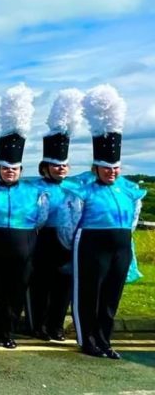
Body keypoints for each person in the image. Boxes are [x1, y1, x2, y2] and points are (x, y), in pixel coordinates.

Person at [66, 85, 146, 359]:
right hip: (90, 243)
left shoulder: (129, 189)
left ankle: (104, 340)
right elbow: (70, 222)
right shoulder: (84, 189)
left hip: (121, 247)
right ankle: (87, 339)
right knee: (89, 293)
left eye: (115, 167)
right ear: (96, 166)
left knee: (112, 295)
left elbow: (134, 218)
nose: (111, 172)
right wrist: (75, 244)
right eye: (106, 167)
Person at [0, 85, 47, 349]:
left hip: (21, 246)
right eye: (5, 168)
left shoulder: (32, 192)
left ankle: (8, 331)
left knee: (15, 291)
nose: (10, 172)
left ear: (20, 169)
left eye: (14, 169)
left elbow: (40, 218)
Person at [27, 89, 84, 342]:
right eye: (56, 165)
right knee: (40, 284)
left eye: (64, 165)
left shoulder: (75, 188)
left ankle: (57, 325)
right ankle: (38, 324)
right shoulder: (34, 188)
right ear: (46, 166)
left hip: (68, 242)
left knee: (63, 284)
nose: (61, 168)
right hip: (42, 240)